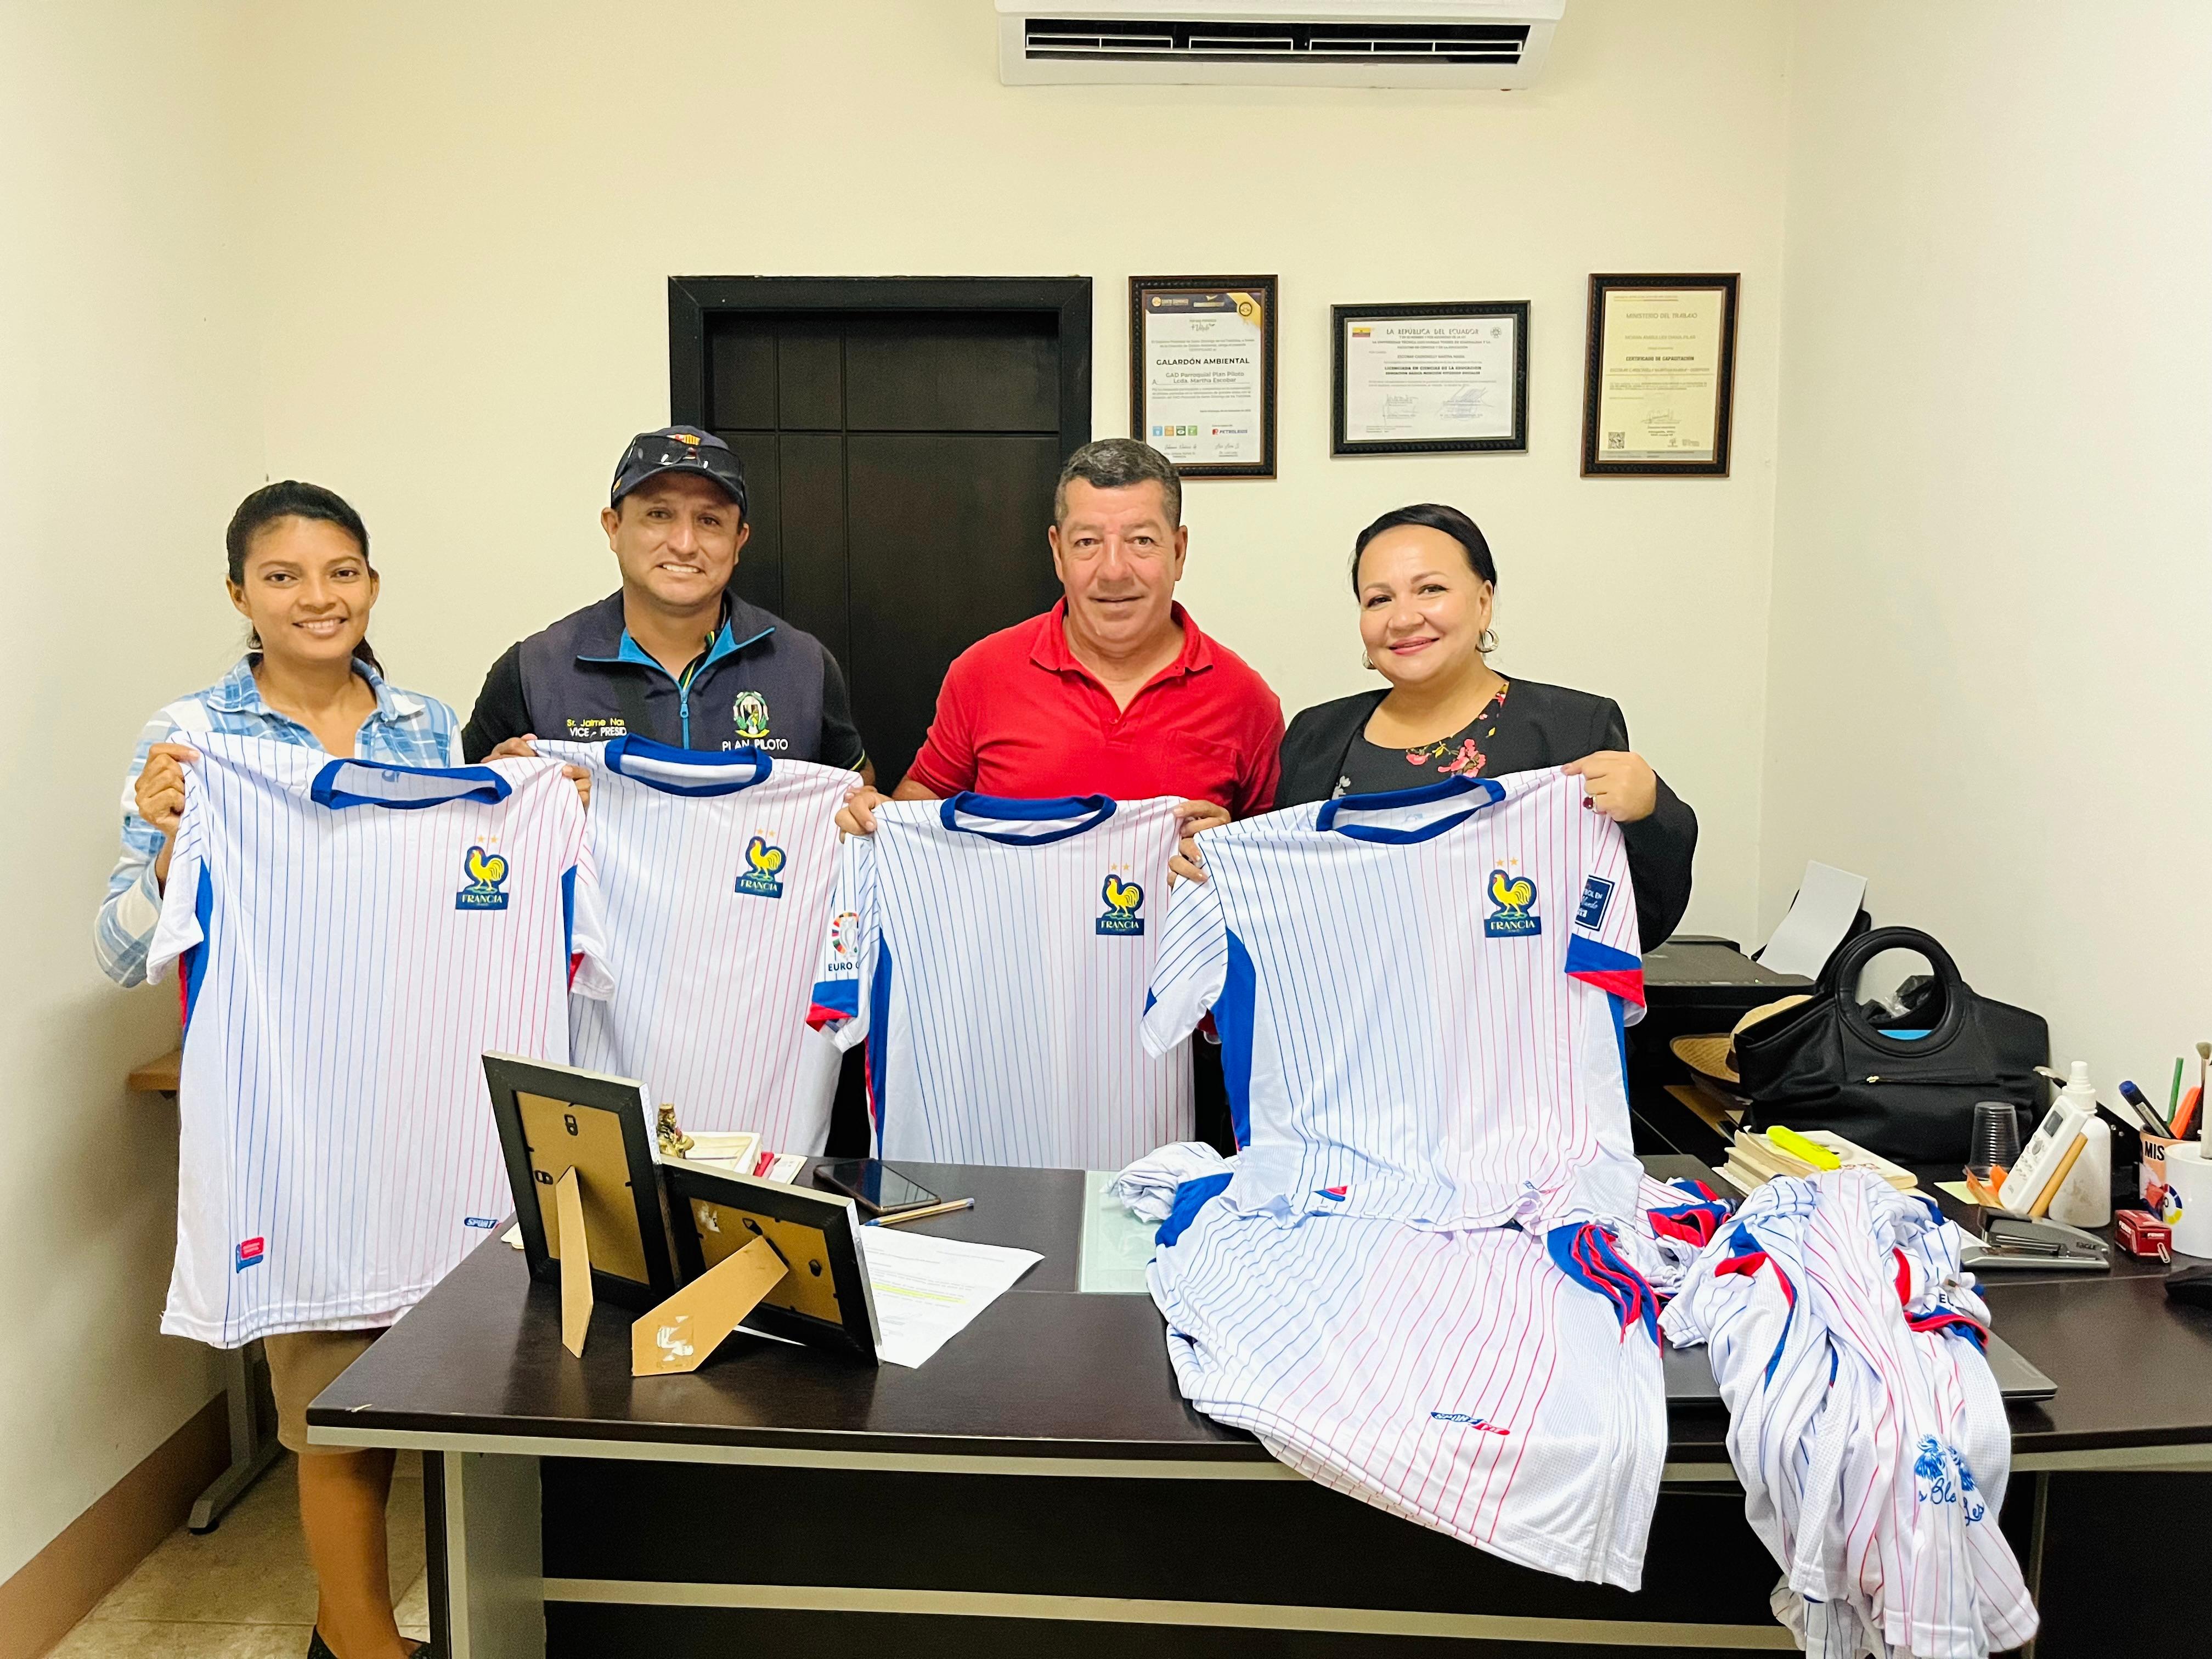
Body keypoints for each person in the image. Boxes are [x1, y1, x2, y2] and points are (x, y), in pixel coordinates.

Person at [96, 481, 446, 1659]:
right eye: (284, 576)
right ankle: (362, 1640)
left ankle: (348, 1630)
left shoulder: (427, 727)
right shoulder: (193, 736)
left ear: (373, 584)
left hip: (419, 1090)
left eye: (341, 571)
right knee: (332, 1393)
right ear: (240, 593)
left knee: (437, 1375)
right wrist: (162, 847)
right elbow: (120, 950)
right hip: (291, 1101)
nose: (317, 597)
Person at [836, 437, 1282, 1154]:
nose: (1114, 570)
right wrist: (876, 821)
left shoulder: (1244, 700)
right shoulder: (983, 674)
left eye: (1141, 541)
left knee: (1136, 1214)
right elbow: (913, 814)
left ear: (1179, 550)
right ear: (1056, 551)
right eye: (1087, 542)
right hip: (999, 1032)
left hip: (1168, 1057)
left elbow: (1275, 897)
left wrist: (1230, 851)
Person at [1238, 503, 1696, 949]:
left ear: (1483, 602)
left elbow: (1637, 924)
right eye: (1379, 600)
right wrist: (1231, 854)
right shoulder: (1316, 734)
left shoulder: (1572, 728)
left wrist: (1649, 814)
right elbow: (1282, 901)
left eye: (1431, 589)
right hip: (1345, 999)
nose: (1403, 619)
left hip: (1516, 999)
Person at [462, 426, 870, 778]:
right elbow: (455, 810)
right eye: (659, 515)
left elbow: (855, 789)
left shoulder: (803, 665)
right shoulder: (533, 671)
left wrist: (860, 808)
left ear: (738, 540)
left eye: (709, 521)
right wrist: (497, 787)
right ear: (614, 527)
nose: (684, 544)